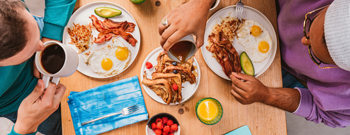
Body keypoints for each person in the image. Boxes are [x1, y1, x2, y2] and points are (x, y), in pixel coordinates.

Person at [159, 0, 350, 128]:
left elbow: (327, 114)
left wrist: (267, 95)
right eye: (310, 22)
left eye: (313, 53)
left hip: (292, 77)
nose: (302, 41)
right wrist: (201, 3)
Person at [0, 0, 76, 134]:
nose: (42, 48)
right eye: (31, 52)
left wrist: (51, 34)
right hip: (22, 105)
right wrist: (25, 127)